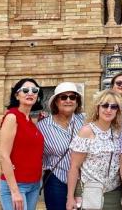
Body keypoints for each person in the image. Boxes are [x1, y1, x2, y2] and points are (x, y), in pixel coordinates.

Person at [66, 90, 122, 210]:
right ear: (97, 108)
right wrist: (70, 197)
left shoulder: (119, 132)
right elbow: (74, 167)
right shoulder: (86, 131)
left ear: (117, 111)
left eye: (113, 107)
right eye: (105, 105)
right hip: (89, 191)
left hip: (113, 193)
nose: (109, 110)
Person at [0, 78, 45, 210]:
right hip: (16, 185)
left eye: (34, 90)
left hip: (34, 184)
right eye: (25, 90)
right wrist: (14, 191)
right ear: (16, 95)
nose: (30, 93)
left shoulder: (30, 121)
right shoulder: (12, 117)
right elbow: (4, 155)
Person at [38, 82, 85, 210]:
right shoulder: (43, 126)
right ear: (56, 102)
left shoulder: (85, 121)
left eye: (72, 97)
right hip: (56, 179)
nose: (68, 100)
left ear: (77, 101)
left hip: (83, 181)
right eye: (63, 97)